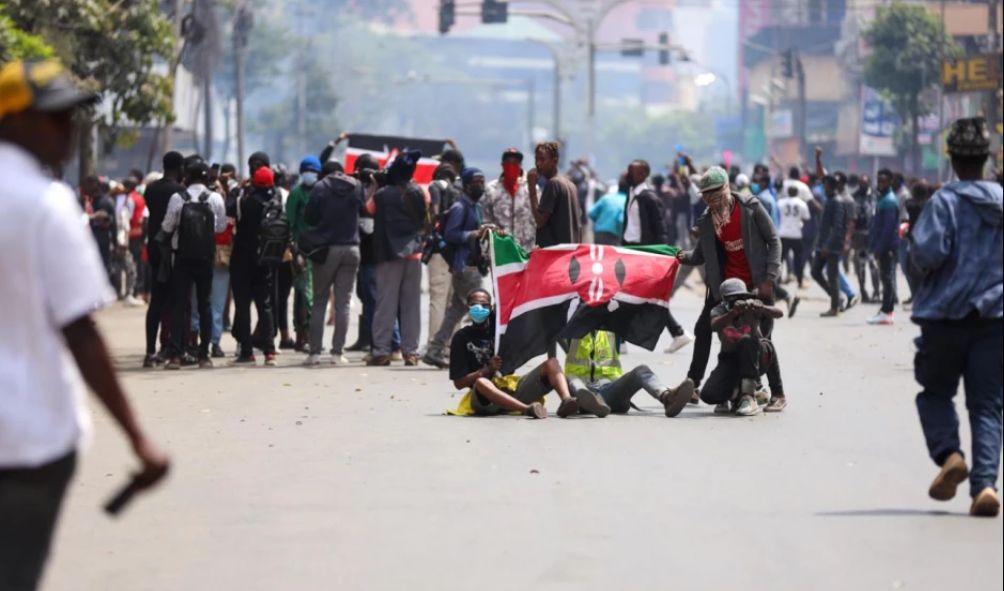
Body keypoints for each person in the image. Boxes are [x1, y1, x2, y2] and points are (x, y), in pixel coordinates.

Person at [0, 57, 169, 591]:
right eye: (54, 117)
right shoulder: (46, 206)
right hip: (28, 441)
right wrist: (139, 438)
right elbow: (81, 332)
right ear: (13, 122)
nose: (69, 130)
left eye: (72, 116)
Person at [908, 117, 1002, 517]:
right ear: (986, 158)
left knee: (935, 394)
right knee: (987, 404)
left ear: (952, 159)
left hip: (944, 318)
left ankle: (950, 454)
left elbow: (927, 255)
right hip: (995, 318)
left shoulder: (944, 202)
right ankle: (985, 486)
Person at [676, 166, 786, 411]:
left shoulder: (750, 208)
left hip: (756, 286)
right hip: (725, 289)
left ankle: (774, 392)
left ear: (726, 188)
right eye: (706, 195)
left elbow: (774, 241)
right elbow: (701, 255)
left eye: (715, 193)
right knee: (703, 328)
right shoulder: (707, 221)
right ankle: (694, 384)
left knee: (760, 337)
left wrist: (769, 278)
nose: (711, 199)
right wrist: (683, 256)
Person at [449, 289, 587, 419]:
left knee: (552, 363)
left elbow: (514, 302)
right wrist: (486, 370)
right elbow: (459, 383)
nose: (480, 309)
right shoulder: (461, 338)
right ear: (468, 308)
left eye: (484, 305)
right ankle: (527, 409)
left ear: (491, 308)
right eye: (475, 305)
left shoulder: (501, 328)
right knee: (481, 382)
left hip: (510, 388)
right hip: (485, 398)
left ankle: (567, 401)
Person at [159, 160, 228, 369]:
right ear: (207, 177)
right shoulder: (214, 198)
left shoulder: (178, 197)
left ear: (186, 177)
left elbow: (167, 226)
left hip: (182, 258)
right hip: (205, 258)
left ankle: (176, 355)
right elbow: (220, 227)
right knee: (205, 305)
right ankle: (204, 355)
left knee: (179, 305)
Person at [423, 167, 491, 368]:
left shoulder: (475, 206)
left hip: (471, 265)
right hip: (464, 267)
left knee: (456, 311)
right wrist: (473, 234)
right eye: (476, 182)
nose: (480, 185)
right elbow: (451, 234)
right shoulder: (460, 207)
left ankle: (435, 350)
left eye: (482, 181)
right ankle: (482, 353)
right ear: (467, 185)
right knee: (482, 308)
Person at [622, 159, 693, 354]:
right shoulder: (632, 194)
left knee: (634, 295)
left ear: (643, 174)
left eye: (632, 172)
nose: (628, 175)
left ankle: (621, 340)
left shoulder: (648, 198)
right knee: (639, 296)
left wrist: (659, 256)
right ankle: (677, 332)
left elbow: (661, 229)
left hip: (645, 253)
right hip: (632, 250)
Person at [367, 150, 427, 366]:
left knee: (386, 303)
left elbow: (368, 208)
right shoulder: (419, 192)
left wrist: (376, 185)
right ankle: (411, 352)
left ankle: (382, 350)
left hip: (388, 254)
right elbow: (426, 213)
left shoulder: (382, 195)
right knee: (411, 305)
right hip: (414, 254)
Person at [302, 166, 364, 366]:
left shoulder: (320, 187)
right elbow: (362, 210)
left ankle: (315, 353)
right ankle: (337, 353)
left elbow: (309, 217)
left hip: (327, 249)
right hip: (352, 249)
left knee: (320, 300)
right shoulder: (356, 186)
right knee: (343, 303)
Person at [700, 279, 785, 416]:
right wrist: (732, 313)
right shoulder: (719, 310)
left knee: (753, 342)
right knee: (708, 395)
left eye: (741, 296)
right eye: (733, 298)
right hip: (731, 359)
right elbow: (714, 325)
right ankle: (735, 395)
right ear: (724, 299)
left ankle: (752, 396)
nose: (738, 301)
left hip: (756, 357)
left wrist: (762, 308)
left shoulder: (751, 307)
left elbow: (779, 313)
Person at [565, 331, 695, 417]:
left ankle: (667, 397)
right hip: (585, 391)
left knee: (641, 370)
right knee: (571, 379)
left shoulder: (612, 327)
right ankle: (589, 402)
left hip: (612, 392)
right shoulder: (573, 327)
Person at [227, 153, 279, 365]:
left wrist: (236, 190)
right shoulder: (276, 201)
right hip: (265, 259)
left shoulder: (244, 200)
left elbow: (229, 219)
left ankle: (247, 351)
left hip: (242, 258)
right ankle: (270, 351)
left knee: (242, 306)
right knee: (264, 306)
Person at [142, 152, 186, 367]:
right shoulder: (179, 192)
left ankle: (150, 352)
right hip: (172, 250)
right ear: (179, 167)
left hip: (154, 248)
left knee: (156, 302)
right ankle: (170, 347)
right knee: (175, 300)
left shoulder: (150, 189)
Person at [286, 156, 321, 351]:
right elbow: (289, 223)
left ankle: (309, 335)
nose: (310, 174)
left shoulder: (320, 192)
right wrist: (294, 249)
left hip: (319, 250)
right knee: (303, 293)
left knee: (315, 294)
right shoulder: (296, 194)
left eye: (313, 171)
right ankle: (303, 335)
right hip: (301, 250)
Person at [811, 175, 852, 317]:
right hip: (822, 244)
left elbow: (838, 227)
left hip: (832, 246)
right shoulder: (829, 200)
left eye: (826, 186)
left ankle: (834, 308)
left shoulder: (838, 202)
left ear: (832, 186)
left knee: (832, 276)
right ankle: (837, 296)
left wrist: (828, 246)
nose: (824, 188)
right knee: (815, 272)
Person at [528, 141, 581, 247]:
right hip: (570, 252)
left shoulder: (553, 184)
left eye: (542, 159)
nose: (538, 164)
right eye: (536, 159)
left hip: (555, 253)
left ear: (554, 161)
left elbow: (540, 221)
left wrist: (531, 188)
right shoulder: (571, 185)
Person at [483, 148, 536, 253]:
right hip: (500, 250)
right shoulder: (491, 189)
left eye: (515, 163)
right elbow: (485, 220)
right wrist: (495, 231)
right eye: (508, 162)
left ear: (520, 165)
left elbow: (538, 219)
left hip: (526, 249)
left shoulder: (531, 188)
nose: (512, 165)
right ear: (502, 165)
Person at [868, 168, 900, 325]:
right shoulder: (883, 198)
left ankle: (887, 311)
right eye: (879, 180)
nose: (880, 183)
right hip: (883, 246)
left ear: (890, 182)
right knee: (885, 278)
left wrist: (879, 248)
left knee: (887, 279)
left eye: (884, 180)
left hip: (886, 247)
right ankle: (885, 310)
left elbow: (887, 229)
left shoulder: (889, 201)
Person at [848, 173, 881, 302]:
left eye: (865, 183)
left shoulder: (875, 196)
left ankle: (877, 292)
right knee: (860, 266)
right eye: (860, 183)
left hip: (871, 235)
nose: (862, 185)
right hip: (859, 235)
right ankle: (863, 292)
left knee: (873, 265)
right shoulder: (854, 197)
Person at [777, 185, 810, 289]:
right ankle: (800, 281)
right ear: (797, 193)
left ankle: (777, 281)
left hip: (783, 233)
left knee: (779, 260)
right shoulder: (802, 203)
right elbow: (806, 218)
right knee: (798, 260)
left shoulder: (780, 202)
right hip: (796, 234)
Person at [588, 176, 627, 246]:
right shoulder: (626, 201)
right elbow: (621, 220)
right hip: (613, 235)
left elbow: (591, 213)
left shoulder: (607, 197)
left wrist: (600, 222)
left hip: (598, 233)